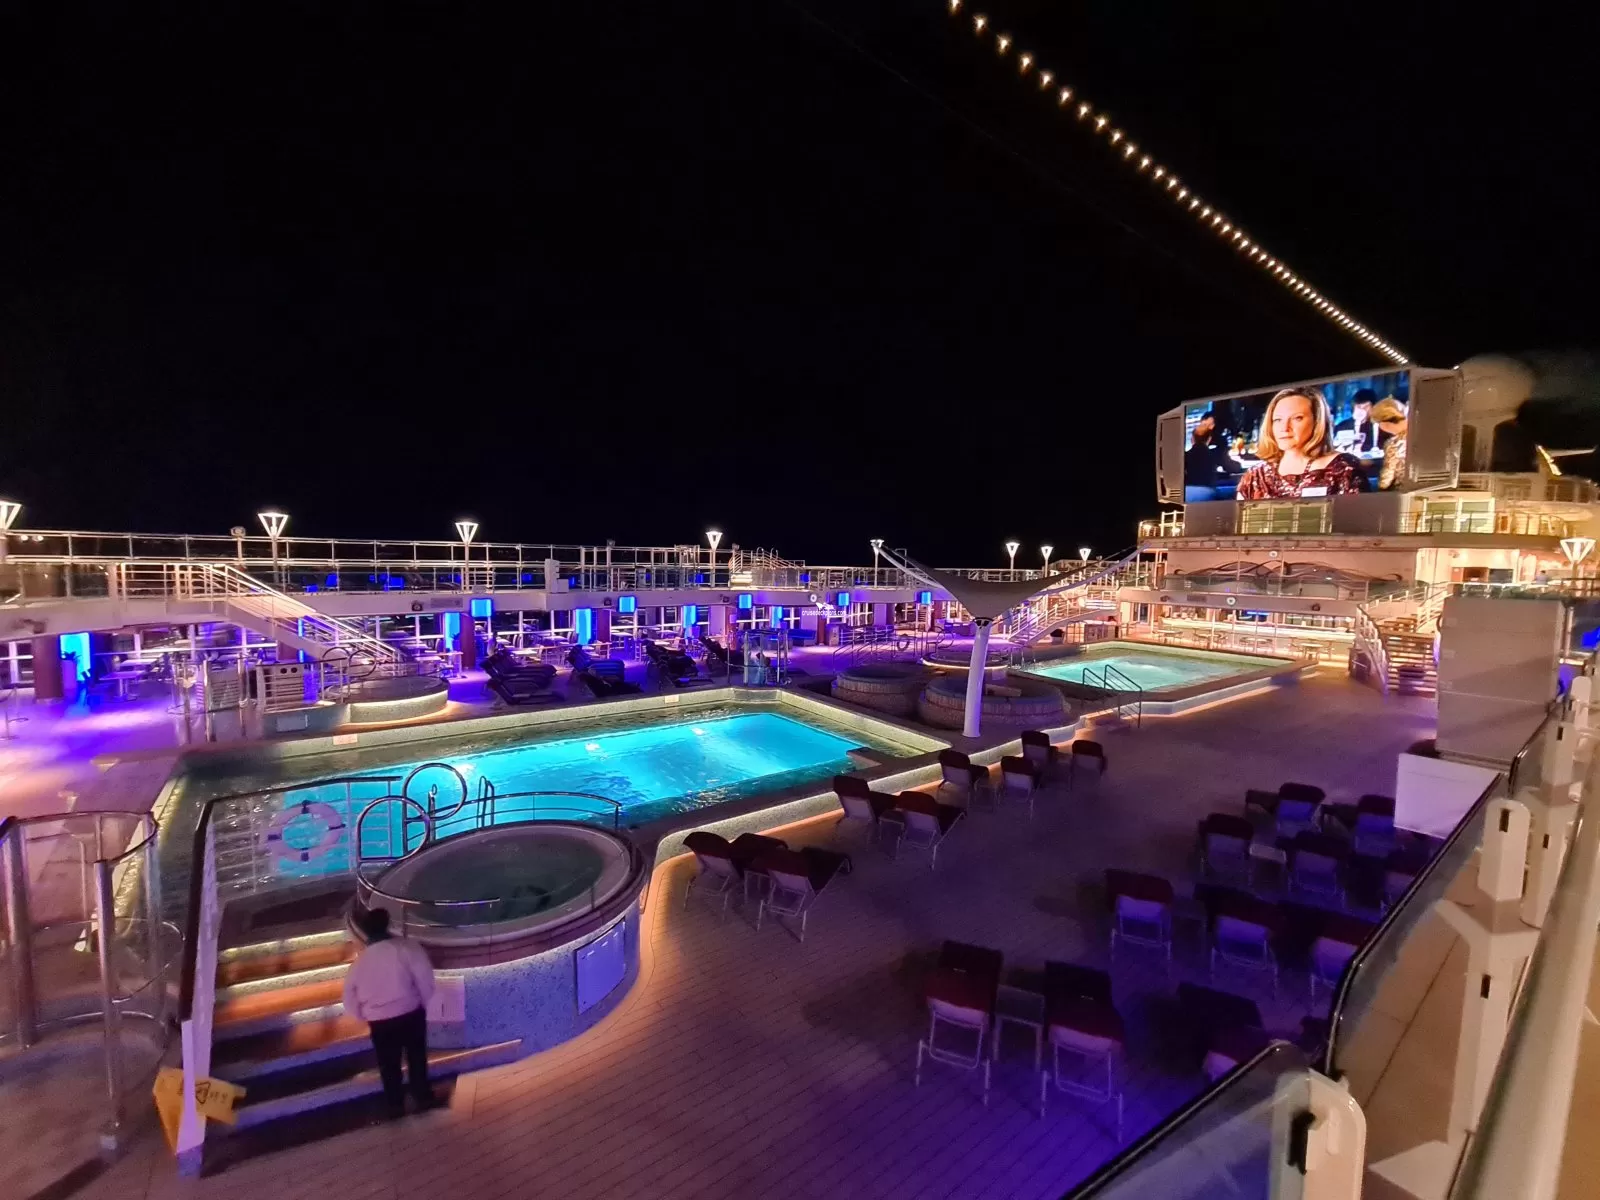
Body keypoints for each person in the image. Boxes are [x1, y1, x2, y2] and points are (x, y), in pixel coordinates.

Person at [343, 907, 437, 1118]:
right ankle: (422, 1096)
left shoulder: (359, 963)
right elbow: (424, 978)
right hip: (410, 1011)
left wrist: (365, 1015)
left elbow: (349, 998)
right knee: (416, 1058)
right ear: (388, 923)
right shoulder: (407, 948)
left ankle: (395, 1105)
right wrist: (423, 1002)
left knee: (388, 1065)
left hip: (379, 1021)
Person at [1236, 387, 1369, 500]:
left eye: (1297, 418)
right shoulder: (1255, 476)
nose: (1284, 428)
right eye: (1277, 420)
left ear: (1317, 421)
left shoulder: (1344, 469)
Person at [1184, 410, 1235, 499]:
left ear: (1192, 439)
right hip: (1208, 494)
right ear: (1209, 439)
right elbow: (1232, 467)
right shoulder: (1215, 454)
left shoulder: (1184, 456)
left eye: (1211, 425)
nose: (1210, 427)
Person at [1370, 396, 1409, 490]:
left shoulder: (1393, 444)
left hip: (1401, 492)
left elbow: (1385, 481)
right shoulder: (1422, 433)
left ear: (1384, 424)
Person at [1334, 388, 1382, 454]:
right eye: (1359, 407)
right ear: (1353, 407)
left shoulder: (1379, 427)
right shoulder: (1342, 427)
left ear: (1373, 407)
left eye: (1366, 407)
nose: (1362, 410)